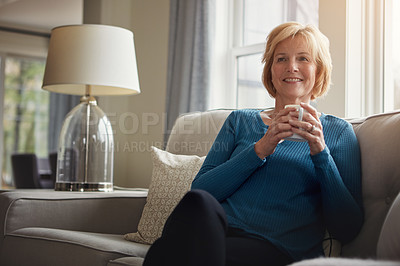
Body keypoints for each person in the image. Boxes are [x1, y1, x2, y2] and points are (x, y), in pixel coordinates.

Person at [144, 22, 363, 266]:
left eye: (303, 58)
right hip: (215, 234)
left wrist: (320, 153)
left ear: (319, 70)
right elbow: (202, 191)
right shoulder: (240, 121)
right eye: (281, 59)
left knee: (164, 253)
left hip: (278, 250)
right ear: (270, 70)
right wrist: (260, 149)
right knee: (198, 204)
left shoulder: (338, 133)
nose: (291, 67)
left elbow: (347, 228)